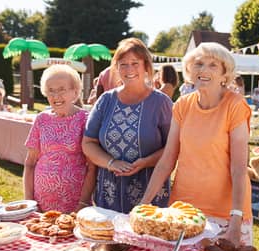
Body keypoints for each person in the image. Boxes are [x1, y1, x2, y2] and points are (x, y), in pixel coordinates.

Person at [140, 42, 252, 246]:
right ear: (190, 70)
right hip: (184, 211)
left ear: (225, 74)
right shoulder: (182, 104)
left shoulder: (235, 105)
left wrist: (236, 218)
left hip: (226, 214)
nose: (204, 70)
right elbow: (167, 161)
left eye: (213, 65)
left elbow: (238, 168)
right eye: (199, 64)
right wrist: (143, 205)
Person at [82, 38, 173, 214]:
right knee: (108, 240)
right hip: (108, 196)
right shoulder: (105, 101)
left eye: (135, 63)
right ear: (116, 68)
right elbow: (88, 142)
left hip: (150, 196)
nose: (129, 69)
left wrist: (145, 162)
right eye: (123, 64)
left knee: (146, 240)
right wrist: (111, 162)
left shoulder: (161, 103)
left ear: (146, 66)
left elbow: (173, 148)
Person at [23, 64, 96, 213]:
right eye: (51, 91)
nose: (56, 96)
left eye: (62, 89)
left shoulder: (86, 120)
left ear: (74, 92)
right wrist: (29, 202)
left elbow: (92, 167)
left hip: (74, 203)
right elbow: (30, 163)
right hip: (40, 203)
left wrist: (82, 204)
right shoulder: (41, 119)